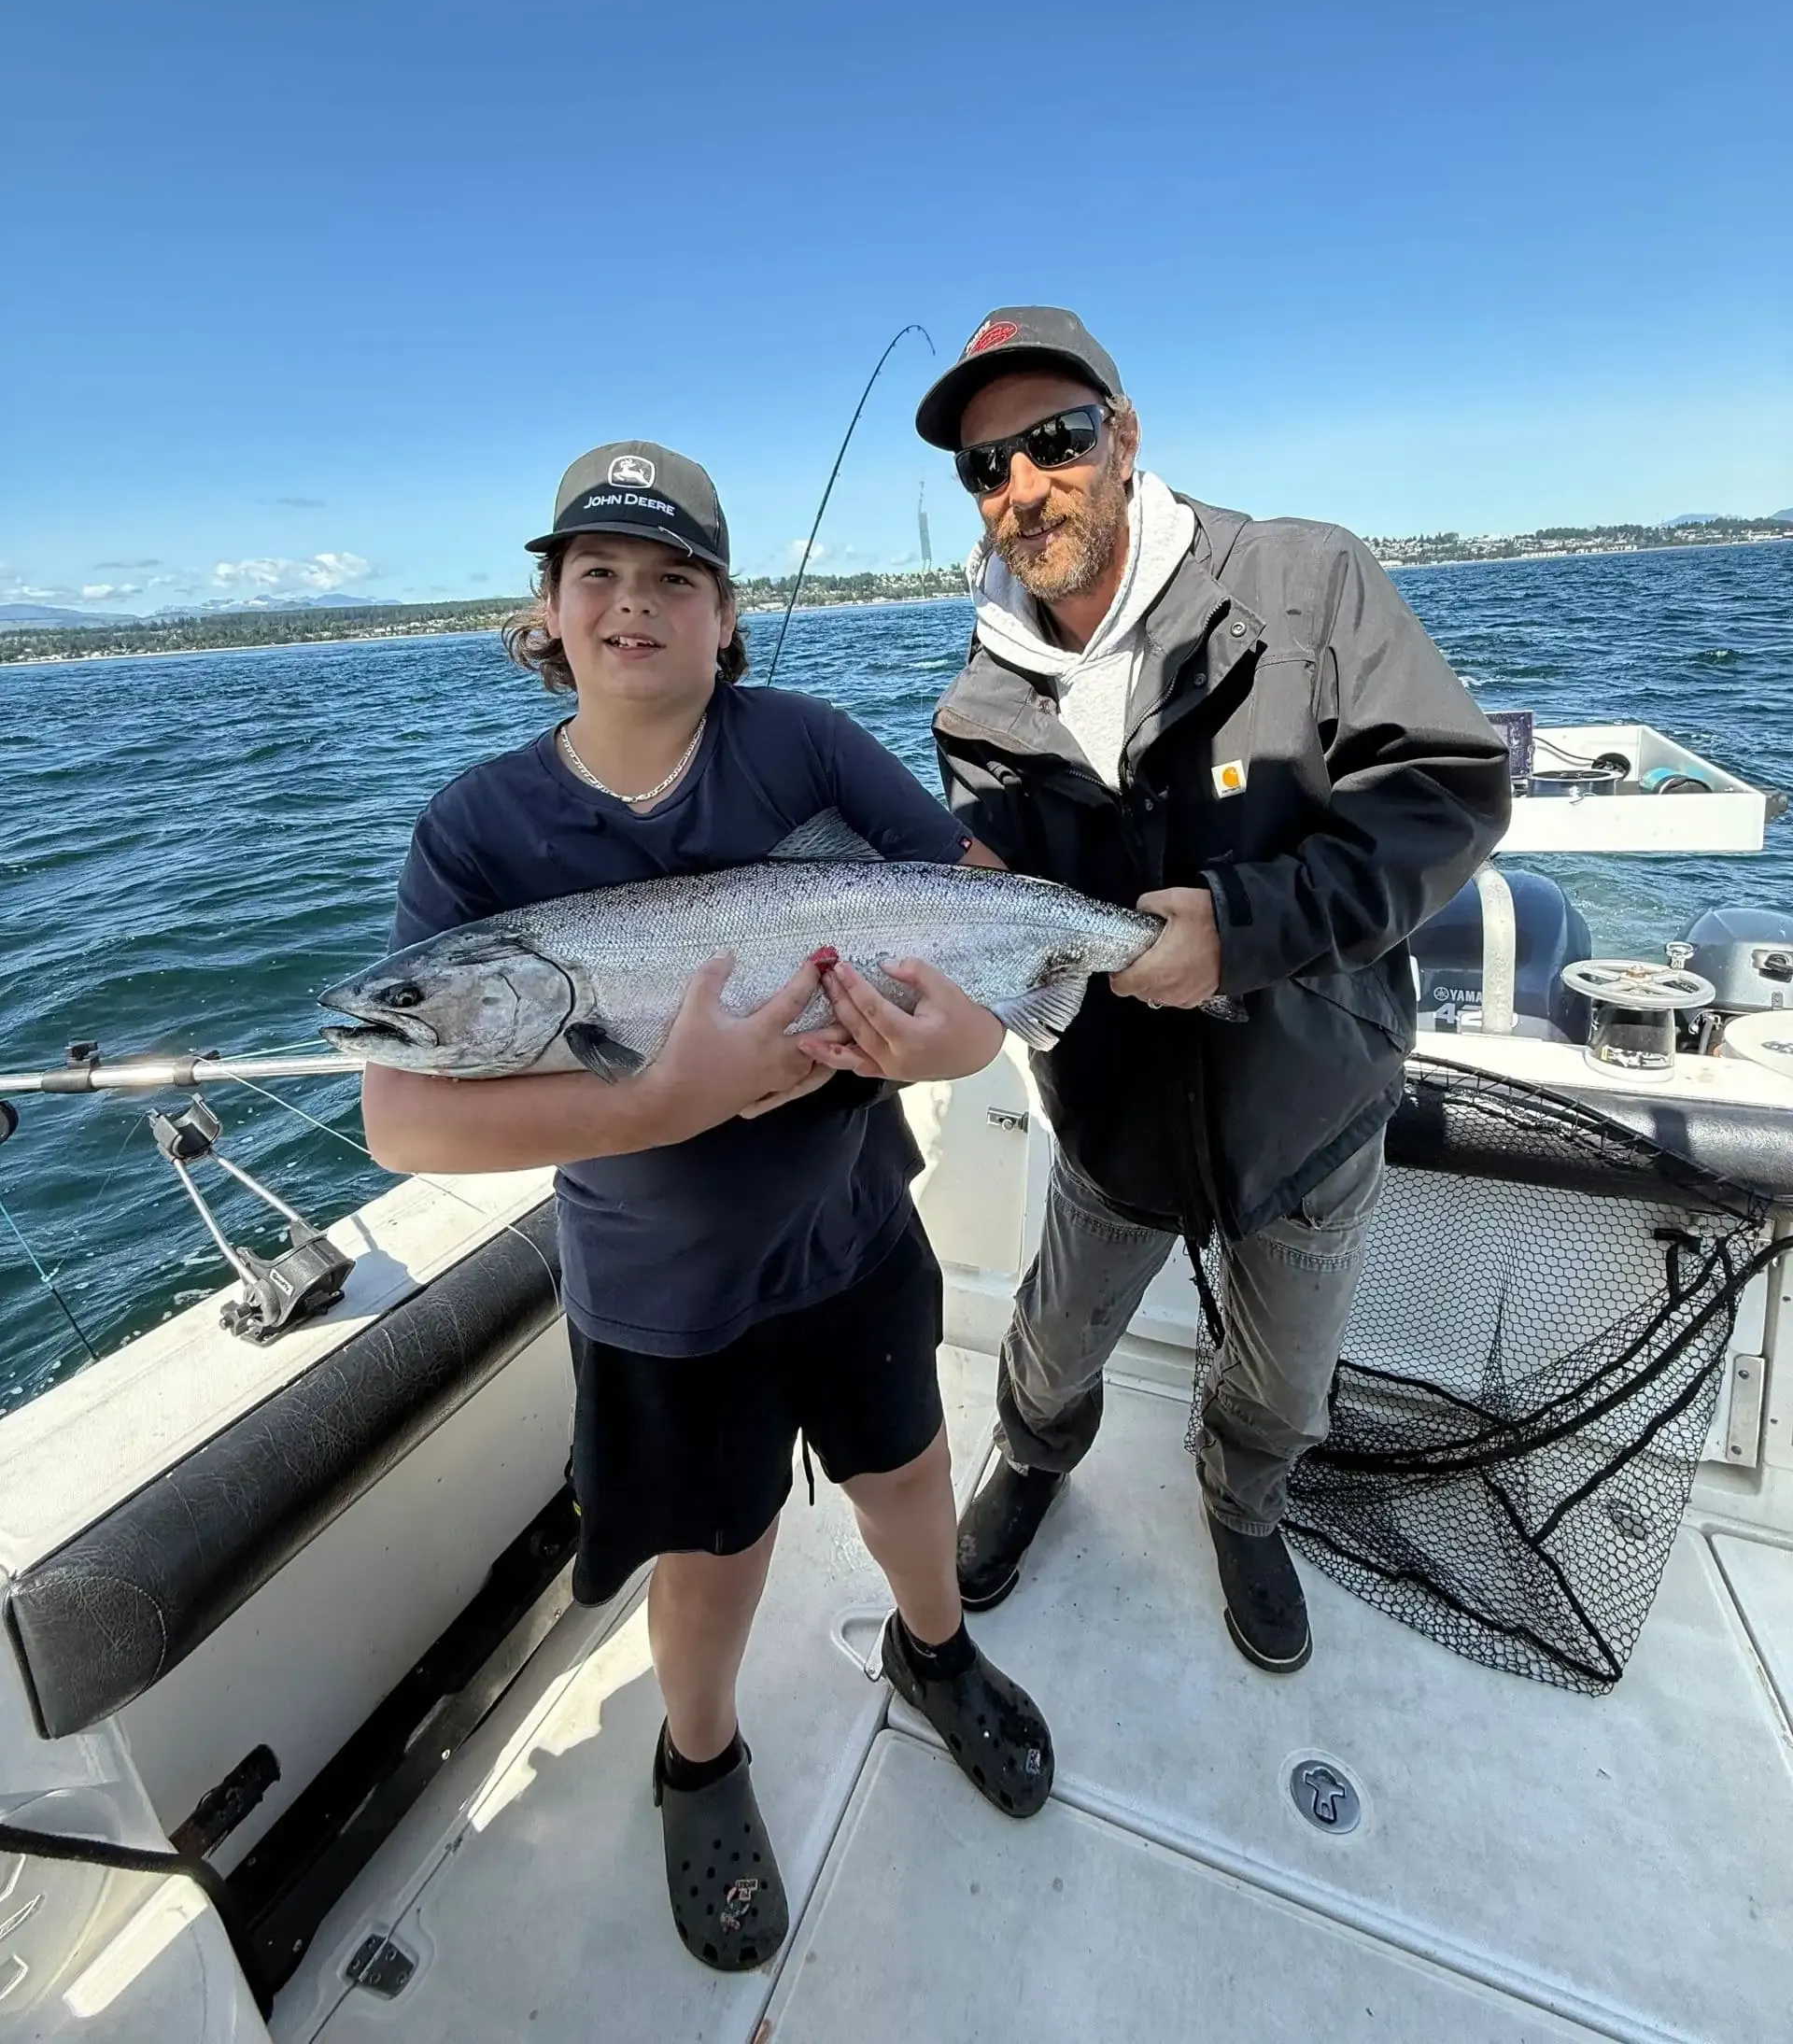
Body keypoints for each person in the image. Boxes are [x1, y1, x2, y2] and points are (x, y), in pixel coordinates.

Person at [361, 441, 1055, 1974]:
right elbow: (402, 1117)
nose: (632, 606)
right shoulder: (476, 834)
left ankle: (934, 1653)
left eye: (674, 578)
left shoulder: (801, 748)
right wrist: (661, 1105)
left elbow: (977, 965)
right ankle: (699, 1757)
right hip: (660, 1286)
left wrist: (937, 1037)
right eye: (595, 574)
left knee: (908, 1469)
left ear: (726, 615)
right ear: (545, 608)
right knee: (712, 1545)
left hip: (857, 1226)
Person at [891, 310, 1510, 1674]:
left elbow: (1446, 798)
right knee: (1051, 1345)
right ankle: (1036, 1456)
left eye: (1052, 441)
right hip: (1110, 1119)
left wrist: (1236, 931)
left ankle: (1244, 1504)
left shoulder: (1306, 582)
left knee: (1285, 1381)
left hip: (1307, 1104)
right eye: (985, 468)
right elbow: (1017, 938)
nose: (1022, 487)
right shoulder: (975, 712)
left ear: (1124, 434)